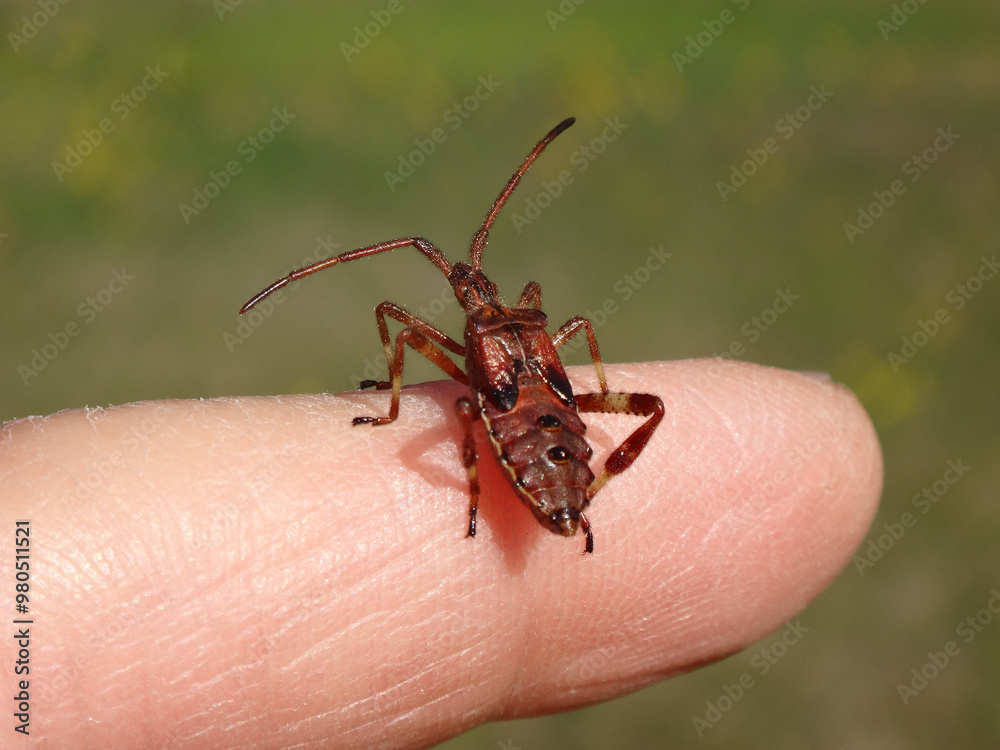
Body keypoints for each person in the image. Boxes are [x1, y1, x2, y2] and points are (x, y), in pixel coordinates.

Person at [2, 359, 881, 748]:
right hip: (548, 418)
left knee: (485, 409)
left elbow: (450, 367)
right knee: (622, 404)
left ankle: (540, 491)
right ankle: (576, 492)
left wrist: (470, 481)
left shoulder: (495, 344)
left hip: (518, 422)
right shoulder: (516, 337)